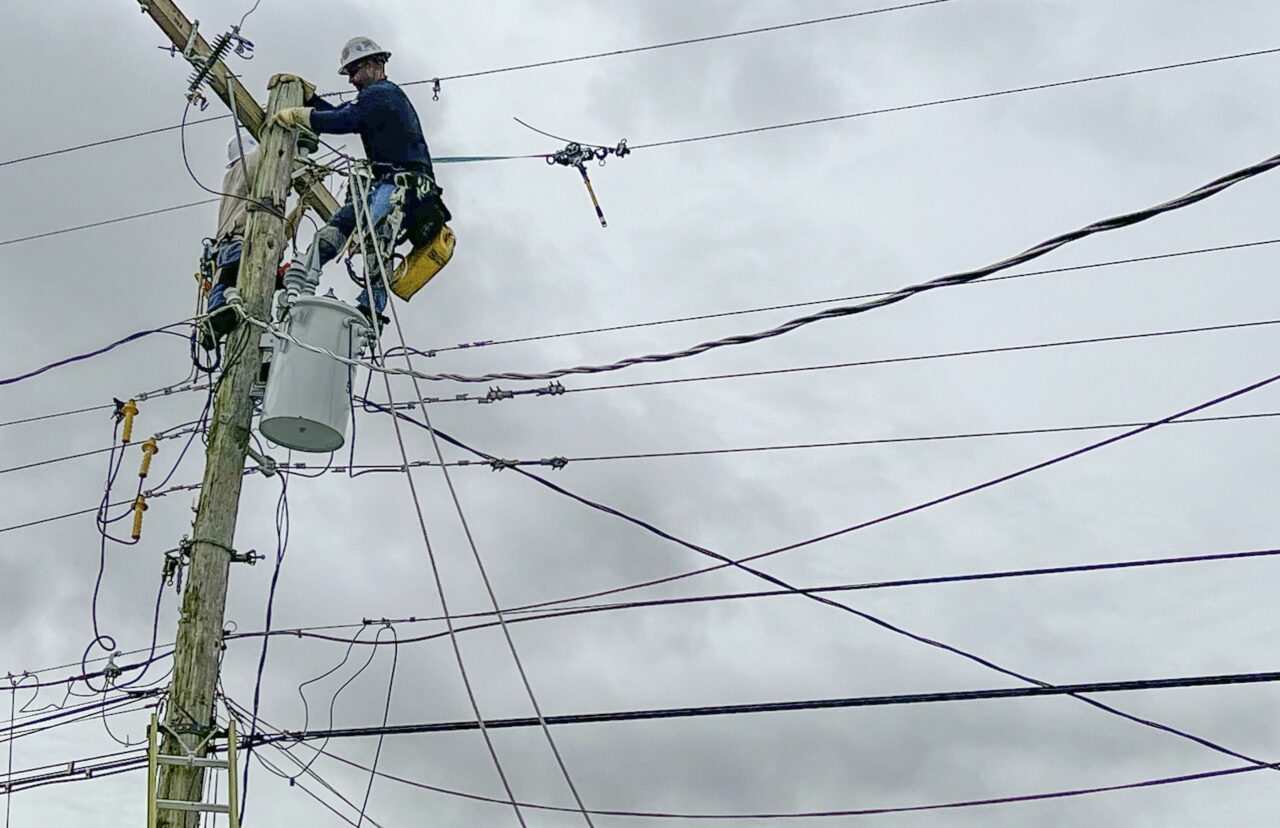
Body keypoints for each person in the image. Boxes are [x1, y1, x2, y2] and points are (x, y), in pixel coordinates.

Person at [269, 37, 443, 325]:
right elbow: (345, 116)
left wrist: (303, 114)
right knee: (338, 227)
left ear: (375, 64)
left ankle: (371, 308)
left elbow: (345, 119)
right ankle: (298, 273)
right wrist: (310, 101)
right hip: (384, 184)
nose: (351, 80)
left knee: (375, 238)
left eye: (354, 71)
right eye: (348, 73)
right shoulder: (374, 98)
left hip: (403, 186)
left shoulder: (383, 93)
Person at [201, 134, 306, 349]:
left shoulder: (262, 190)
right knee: (230, 277)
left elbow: (278, 231)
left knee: (243, 287)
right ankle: (217, 317)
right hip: (237, 242)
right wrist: (286, 130)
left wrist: (301, 209)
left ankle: (222, 317)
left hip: (250, 245)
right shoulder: (239, 170)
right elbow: (267, 149)